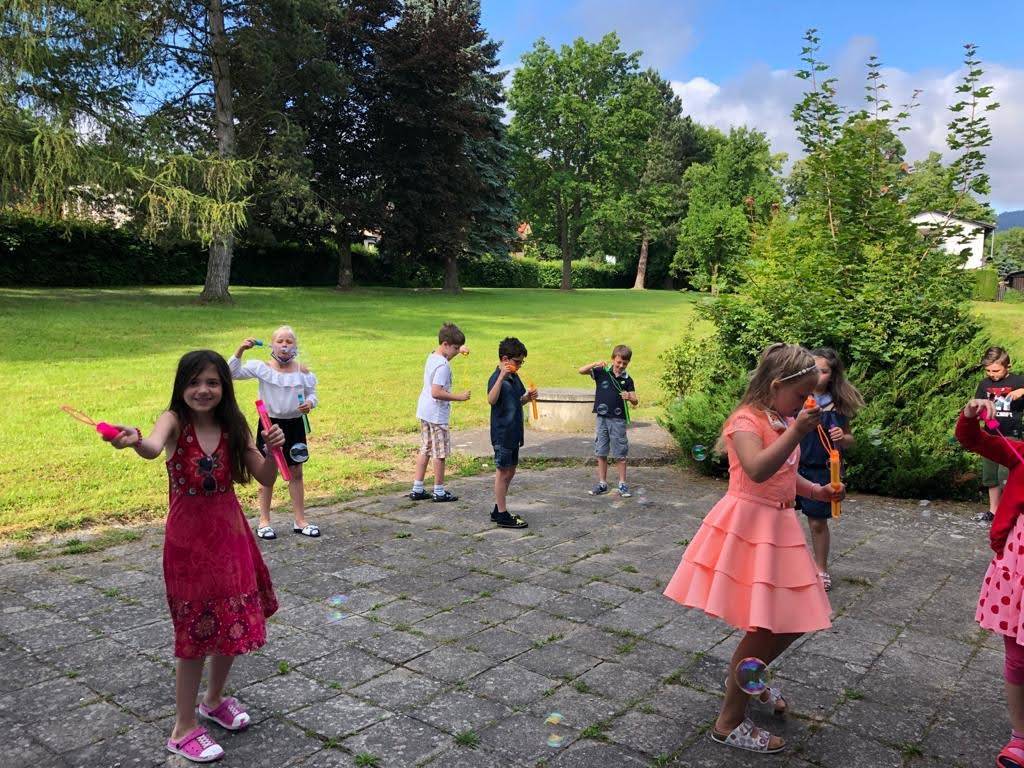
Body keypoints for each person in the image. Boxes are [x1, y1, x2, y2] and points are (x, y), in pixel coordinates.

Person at [662, 343, 842, 755]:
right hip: (749, 527)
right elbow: (759, 470)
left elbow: (786, 473)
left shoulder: (784, 418)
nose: (806, 403)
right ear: (776, 385)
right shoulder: (745, 421)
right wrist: (797, 431)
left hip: (779, 526)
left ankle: (749, 678)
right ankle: (728, 722)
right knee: (766, 626)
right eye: (801, 394)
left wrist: (817, 490)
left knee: (793, 619)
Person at [108, 350, 283, 763]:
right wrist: (133, 440)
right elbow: (152, 447)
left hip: (231, 540)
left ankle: (214, 700)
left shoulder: (234, 426)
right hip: (188, 545)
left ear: (225, 387)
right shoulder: (174, 421)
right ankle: (182, 727)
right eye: (194, 382)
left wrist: (274, 448)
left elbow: (265, 477)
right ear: (181, 386)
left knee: (232, 621)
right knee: (194, 635)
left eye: (212, 382)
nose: (203, 390)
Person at [955, 397, 1024, 767]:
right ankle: (1020, 737)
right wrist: (970, 415)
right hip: (1019, 570)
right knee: (1018, 658)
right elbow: (973, 439)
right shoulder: (1020, 455)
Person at [229, 326, 320, 538]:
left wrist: (309, 403)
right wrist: (240, 350)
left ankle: (300, 520)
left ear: (295, 346)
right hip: (269, 426)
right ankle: (264, 522)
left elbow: (312, 394)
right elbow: (232, 373)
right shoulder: (263, 368)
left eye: (289, 341)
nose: (284, 345)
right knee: (266, 474)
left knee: (296, 472)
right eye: (280, 341)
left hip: (295, 426)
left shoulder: (303, 372)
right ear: (272, 345)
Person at [795, 348, 863, 592]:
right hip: (793, 466)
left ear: (833, 375)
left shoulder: (837, 406)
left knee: (817, 523)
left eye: (823, 371)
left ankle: (820, 569)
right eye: (813, 370)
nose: (817, 376)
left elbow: (850, 440)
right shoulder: (796, 399)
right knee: (783, 519)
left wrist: (842, 438)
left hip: (822, 470)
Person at [408, 322, 470, 502]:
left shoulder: (433, 356)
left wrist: (459, 350)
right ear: (445, 344)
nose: (456, 352)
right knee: (440, 454)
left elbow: (445, 357)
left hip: (425, 411)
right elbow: (436, 392)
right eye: (455, 348)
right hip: (436, 415)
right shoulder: (443, 366)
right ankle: (439, 491)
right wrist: (459, 397)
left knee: (425, 449)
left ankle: (417, 488)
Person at [487, 337, 536, 529]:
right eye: (517, 362)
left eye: (522, 362)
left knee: (511, 469)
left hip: (515, 432)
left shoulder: (515, 377)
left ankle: (498, 507)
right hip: (502, 433)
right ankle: (502, 513)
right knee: (502, 471)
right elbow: (491, 400)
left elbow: (517, 400)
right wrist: (501, 378)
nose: (520, 365)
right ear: (505, 359)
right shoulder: (496, 377)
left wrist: (527, 397)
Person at [578, 345, 639, 497]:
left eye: (624, 363)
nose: (621, 365)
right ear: (613, 359)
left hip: (618, 420)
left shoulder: (627, 379)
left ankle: (622, 484)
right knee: (601, 451)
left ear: (628, 363)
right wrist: (595, 364)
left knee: (620, 452)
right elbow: (581, 370)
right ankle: (602, 483)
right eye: (618, 362)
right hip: (602, 418)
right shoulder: (602, 372)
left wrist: (629, 397)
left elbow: (635, 400)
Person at [974, 347, 1024, 523]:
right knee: (991, 476)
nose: (992, 374)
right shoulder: (984, 384)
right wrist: (981, 414)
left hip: (1011, 436)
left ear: (1007, 366)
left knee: (1006, 475)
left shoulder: (1019, 381)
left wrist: (1021, 391)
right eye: (988, 371)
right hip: (990, 436)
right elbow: (978, 406)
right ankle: (993, 511)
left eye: (996, 370)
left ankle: (1009, 511)